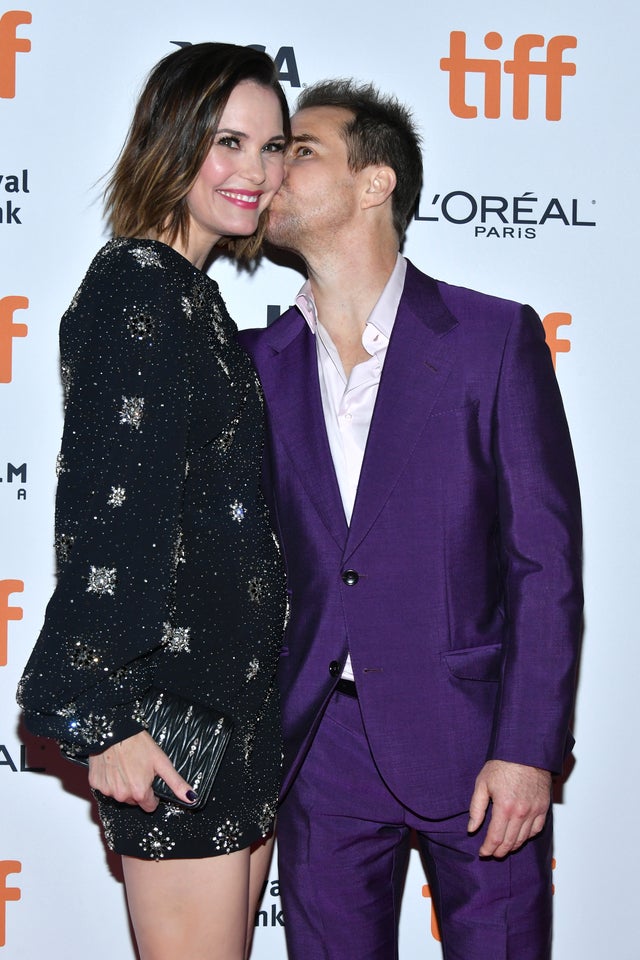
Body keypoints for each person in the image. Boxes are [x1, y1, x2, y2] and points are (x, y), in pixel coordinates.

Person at [239, 79, 582, 960]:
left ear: (374, 182)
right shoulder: (253, 366)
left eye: (299, 149)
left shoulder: (490, 339)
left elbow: (543, 563)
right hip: (319, 751)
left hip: (477, 742)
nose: (272, 168)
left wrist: (529, 749)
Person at [17, 42, 289, 960]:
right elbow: (108, 512)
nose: (254, 172)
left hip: (233, 713)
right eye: (229, 141)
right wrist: (102, 721)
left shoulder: (193, 297)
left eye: (273, 146)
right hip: (168, 719)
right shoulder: (137, 286)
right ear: (172, 142)